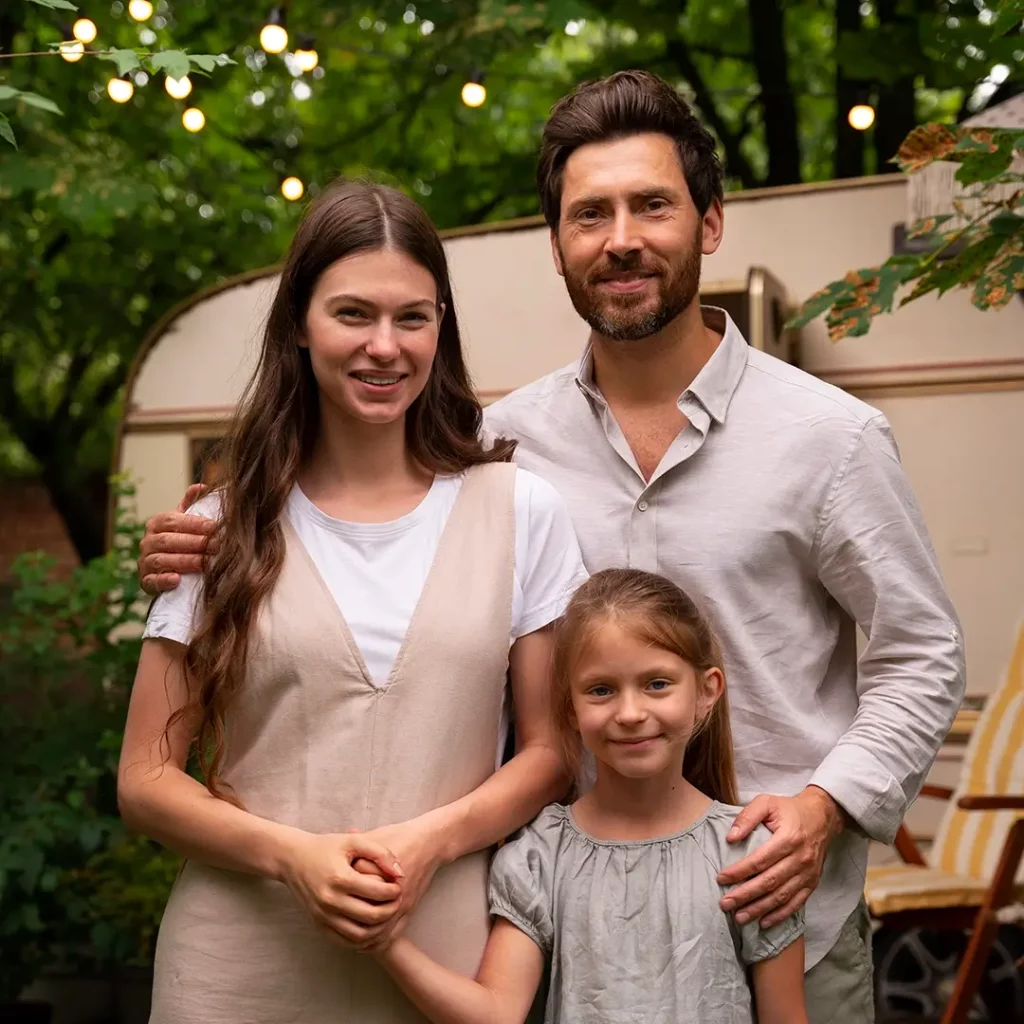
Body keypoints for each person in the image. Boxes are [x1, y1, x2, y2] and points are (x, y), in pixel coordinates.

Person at [136, 71, 966, 1022]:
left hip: (774, 918)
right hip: (569, 942)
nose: (621, 239)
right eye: (589, 214)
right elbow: (363, 528)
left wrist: (825, 809)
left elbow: (922, 653)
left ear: (711, 222)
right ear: (558, 245)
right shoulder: (501, 451)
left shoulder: (833, 438)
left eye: (652, 205)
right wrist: (211, 532)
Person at [118, 179, 588, 1024]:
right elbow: (146, 778)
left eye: (412, 316)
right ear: (299, 323)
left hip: (444, 960)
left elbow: (552, 753)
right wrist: (294, 856)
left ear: (441, 326)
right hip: (235, 971)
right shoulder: (217, 526)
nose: (385, 345)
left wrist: (429, 841)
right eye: (352, 314)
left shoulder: (521, 511)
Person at [375, 569, 808, 1024]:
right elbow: (497, 1012)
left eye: (657, 684)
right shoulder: (541, 856)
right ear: (571, 710)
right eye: (601, 690)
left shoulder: (754, 858)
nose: (630, 713)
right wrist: (387, 944)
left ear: (706, 691)